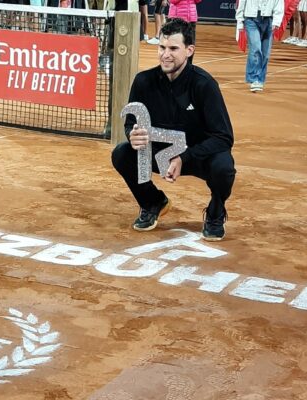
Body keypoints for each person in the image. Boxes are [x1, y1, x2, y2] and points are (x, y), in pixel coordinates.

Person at [111, 18, 236, 240]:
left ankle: (216, 211)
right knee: (121, 154)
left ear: (189, 50)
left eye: (173, 49)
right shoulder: (143, 81)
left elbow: (223, 137)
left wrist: (184, 156)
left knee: (223, 167)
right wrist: (132, 134)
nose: (165, 55)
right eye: (161, 47)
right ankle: (153, 202)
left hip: (196, 155)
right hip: (159, 154)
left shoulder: (205, 85)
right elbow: (131, 121)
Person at [235, 0, 284, 92]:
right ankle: (254, 79)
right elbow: (241, 3)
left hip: (268, 20)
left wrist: (277, 21)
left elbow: (279, 4)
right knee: (256, 49)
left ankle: (260, 79)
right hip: (251, 19)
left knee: (266, 54)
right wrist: (240, 21)